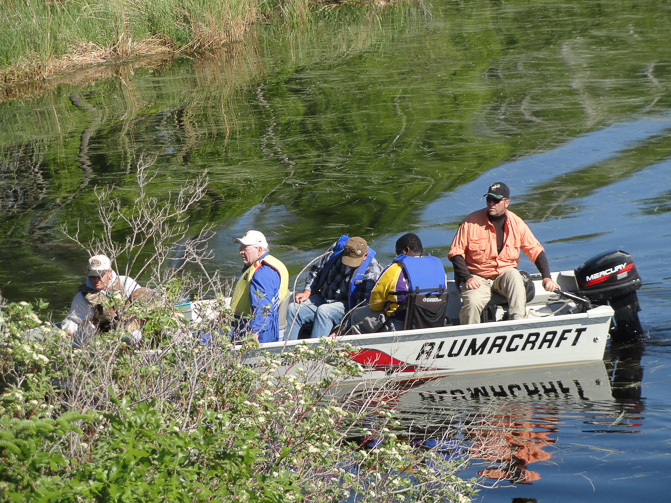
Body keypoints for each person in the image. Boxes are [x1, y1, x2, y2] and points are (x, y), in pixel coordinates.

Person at [447, 182, 561, 325]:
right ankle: (470, 335)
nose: (491, 203)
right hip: (477, 277)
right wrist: (467, 278)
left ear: (507, 202)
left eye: (496, 200)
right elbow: (456, 253)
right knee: (473, 304)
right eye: (489, 199)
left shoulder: (516, 223)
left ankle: (519, 324)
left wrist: (547, 278)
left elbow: (535, 250)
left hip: (504, 276)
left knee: (515, 275)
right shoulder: (470, 223)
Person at [285, 236, 382, 340]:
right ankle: (286, 347)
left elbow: (360, 309)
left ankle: (316, 349)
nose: (350, 264)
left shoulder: (372, 272)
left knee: (324, 311)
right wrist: (307, 291)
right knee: (293, 308)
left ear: (365, 255)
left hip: (347, 307)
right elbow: (316, 269)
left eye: (354, 261)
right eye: (348, 259)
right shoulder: (336, 249)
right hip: (324, 297)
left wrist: (343, 329)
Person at [347, 233, 447, 334]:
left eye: (398, 252)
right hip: (434, 322)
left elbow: (374, 305)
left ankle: (365, 344)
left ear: (406, 250)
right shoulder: (438, 269)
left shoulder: (394, 270)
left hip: (401, 325)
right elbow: (443, 290)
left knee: (356, 315)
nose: (397, 256)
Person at [62, 254, 141, 345]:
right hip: (103, 335)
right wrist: (67, 329)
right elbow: (74, 320)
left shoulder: (126, 283)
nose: (96, 280)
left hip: (131, 329)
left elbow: (145, 302)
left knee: (136, 335)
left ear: (109, 272)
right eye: (93, 276)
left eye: (100, 276)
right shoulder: (82, 296)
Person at [230, 230, 289, 344]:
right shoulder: (261, 265)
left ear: (259, 250)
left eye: (245, 248)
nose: (241, 252)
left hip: (256, 331)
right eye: (240, 248)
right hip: (242, 323)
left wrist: (255, 331)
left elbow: (263, 305)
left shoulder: (263, 272)